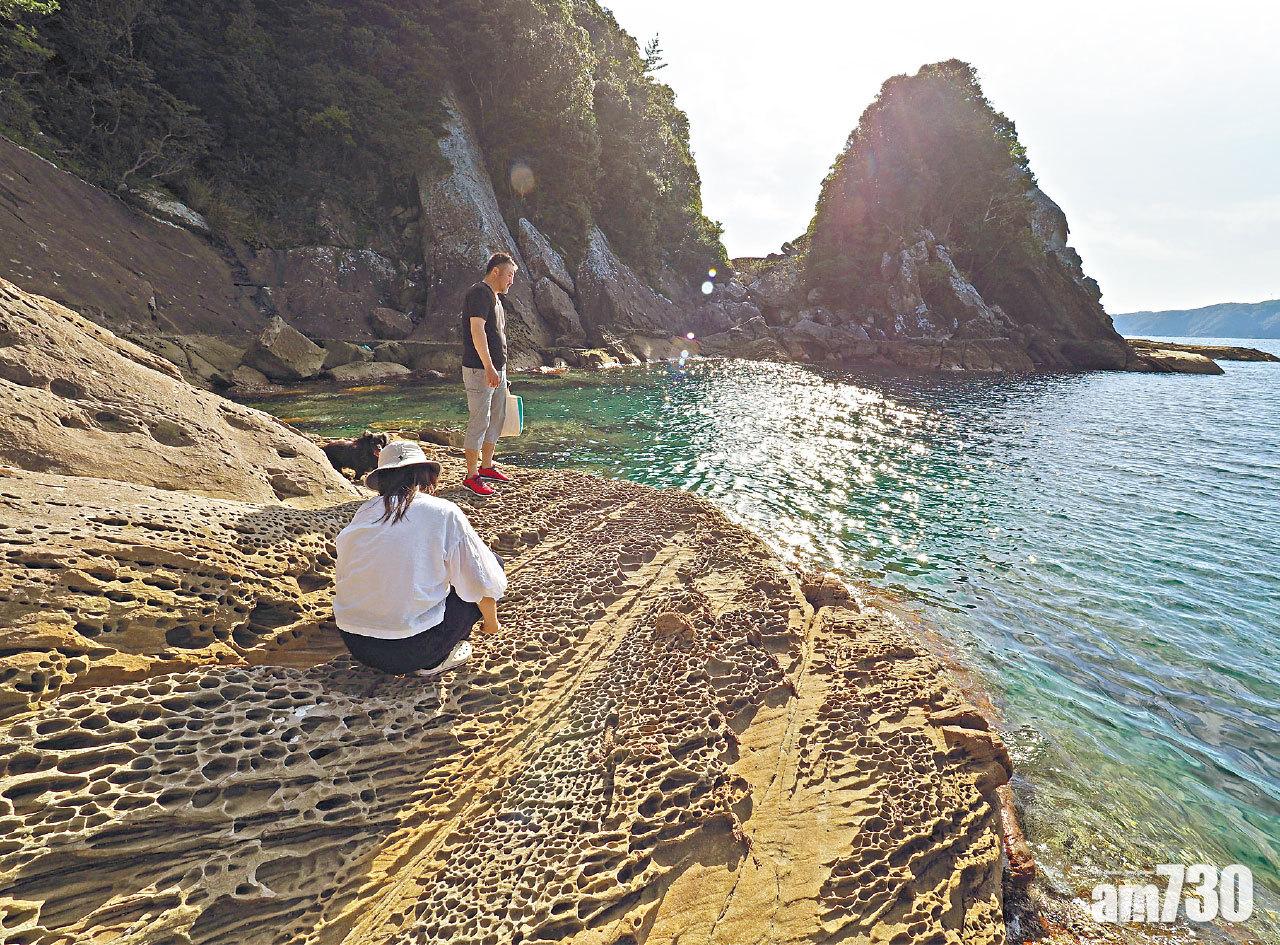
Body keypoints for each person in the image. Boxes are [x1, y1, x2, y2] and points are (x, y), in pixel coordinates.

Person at [333, 439, 506, 677]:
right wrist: (491, 624)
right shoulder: (443, 512)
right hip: (413, 650)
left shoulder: (364, 512)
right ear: (426, 475)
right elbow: (481, 578)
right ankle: (436, 660)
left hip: (356, 643)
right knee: (490, 562)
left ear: (381, 479)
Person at [460, 252, 518, 496]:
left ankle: (486, 466)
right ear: (495, 272)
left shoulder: (495, 298)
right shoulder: (479, 293)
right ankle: (471, 475)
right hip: (479, 369)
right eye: (509, 275)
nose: (511, 281)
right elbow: (477, 331)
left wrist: (500, 370)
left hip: (496, 369)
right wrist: (489, 367)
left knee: (497, 418)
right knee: (480, 420)